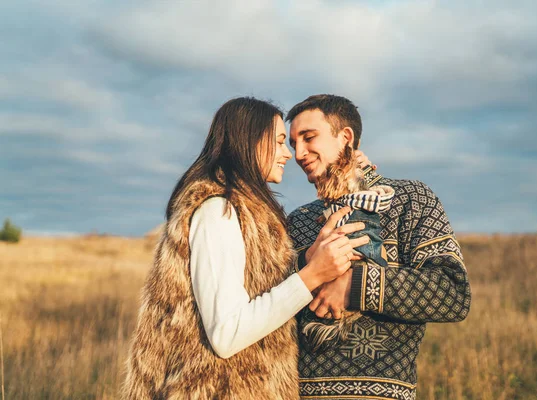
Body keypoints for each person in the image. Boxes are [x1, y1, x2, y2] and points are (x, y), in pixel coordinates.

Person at [122, 97, 369, 399]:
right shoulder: (218, 211)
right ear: (249, 141)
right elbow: (227, 333)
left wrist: (351, 177)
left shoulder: (249, 215)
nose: (288, 154)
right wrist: (312, 276)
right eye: (280, 142)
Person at [286, 94, 472, 400]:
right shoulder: (299, 220)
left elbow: (453, 293)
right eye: (293, 144)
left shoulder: (412, 200)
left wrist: (353, 285)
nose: (299, 153)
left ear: (345, 137)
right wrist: (308, 266)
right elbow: (267, 305)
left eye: (308, 138)